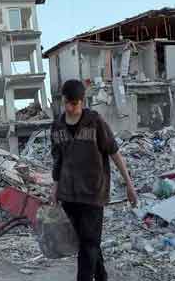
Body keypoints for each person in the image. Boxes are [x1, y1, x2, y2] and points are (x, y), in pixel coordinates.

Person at [50, 79, 138, 281]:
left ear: (83, 101)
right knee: (85, 242)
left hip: (93, 194)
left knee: (88, 244)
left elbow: (114, 153)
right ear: (63, 100)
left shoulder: (95, 121)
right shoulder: (57, 126)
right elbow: (57, 160)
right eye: (68, 103)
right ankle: (102, 276)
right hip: (69, 195)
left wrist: (129, 185)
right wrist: (54, 188)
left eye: (76, 103)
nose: (71, 108)